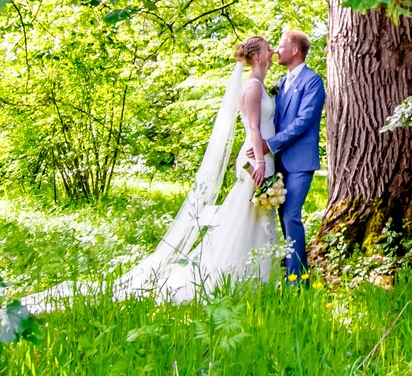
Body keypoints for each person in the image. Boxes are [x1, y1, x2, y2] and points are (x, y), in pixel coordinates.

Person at [21, 35, 283, 309]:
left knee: (256, 214)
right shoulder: (252, 87)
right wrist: (260, 162)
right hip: (257, 158)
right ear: (257, 56)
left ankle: (257, 278)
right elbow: (254, 128)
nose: (273, 51)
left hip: (263, 156)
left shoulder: (260, 85)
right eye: (268, 48)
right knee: (246, 214)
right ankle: (236, 276)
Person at [261, 28, 325, 282]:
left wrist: (270, 144)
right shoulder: (282, 81)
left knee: (291, 216)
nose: (277, 50)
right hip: (278, 161)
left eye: (281, 45)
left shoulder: (312, 81)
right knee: (282, 218)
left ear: (295, 50)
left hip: (300, 161)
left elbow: (303, 121)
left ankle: (296, 281)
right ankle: (294, 273)